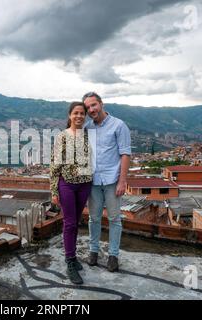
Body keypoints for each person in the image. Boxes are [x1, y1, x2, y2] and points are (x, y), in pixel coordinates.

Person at [82, 92, 131, 272]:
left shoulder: (119, 125)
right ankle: (93, 251)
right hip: (93, 181)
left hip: (112, 180)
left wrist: (122, 181)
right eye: (88, 107)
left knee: (114, 219)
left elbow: (125, 154)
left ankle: (113, 255)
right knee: (93, 218)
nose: (91, 109)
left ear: (101, 104)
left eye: (93, 105)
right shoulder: (88, 128)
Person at [50, 101, 93, 285]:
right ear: (70, 115)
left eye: (82, 113)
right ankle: (69, 261)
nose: (79, 116)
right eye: (76, 113)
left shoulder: (88, 135)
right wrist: (54, 189)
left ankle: (73, 257)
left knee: (76, 222)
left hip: (84, 184)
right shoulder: (62, 136)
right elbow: (54, 164)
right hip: (66, 184)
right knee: (69, 223)